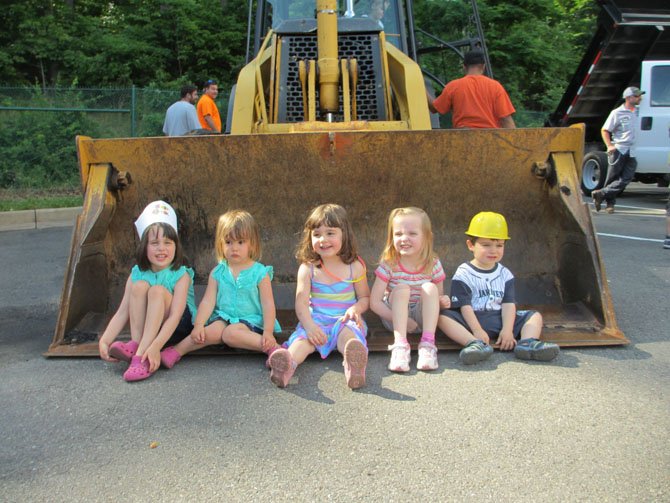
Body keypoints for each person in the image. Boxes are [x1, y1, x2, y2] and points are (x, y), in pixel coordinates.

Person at [269, 204, 370, 389]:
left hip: (344, 320)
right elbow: (301, 304)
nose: (323, 239)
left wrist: (356, 308)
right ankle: (286, 364)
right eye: (317, 234)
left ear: (344, 235)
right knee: (303, 342)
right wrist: (310, 326)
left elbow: (364, 298)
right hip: (316, 320)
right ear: (310, 237)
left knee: (348, 338)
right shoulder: (308, 268)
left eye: (330, 233)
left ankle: (353, 365)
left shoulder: (354, 266)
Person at [162, 210, 281, 366]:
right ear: (220, 244)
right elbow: (208, 302)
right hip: (224, 317)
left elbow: (268, 304)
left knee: (230, 334)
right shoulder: (218, 272)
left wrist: (268, 331)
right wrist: (198, 325)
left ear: (252, 243)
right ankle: (176, 351)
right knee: (209, 332)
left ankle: (274, 350)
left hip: (252, 322)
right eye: (228, 242)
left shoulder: (260, 273)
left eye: (240, 242)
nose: (234, 248)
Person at [438, 212, 560, 363]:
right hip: (471, 320)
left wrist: (508, 330)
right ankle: (474, 344)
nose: (493, 250)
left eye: (499, 245)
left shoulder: (505, 274)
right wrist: (477, 330)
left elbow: (508, 304)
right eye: (486, 245)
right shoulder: (463, 273)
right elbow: (465, 306)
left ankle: (528, 343)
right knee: (442, 318)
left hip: (499, 319)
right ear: (471, 245)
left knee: (534, 316)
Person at [98, 200, 197, 382]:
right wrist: (105, 340)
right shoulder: (137, 273)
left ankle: (141, 356)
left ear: (176, 246)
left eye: (168, 242)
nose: (161, 248)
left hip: (178, 326)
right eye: (154, 243)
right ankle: (137, 346)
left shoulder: (181, 274)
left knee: (157, 291)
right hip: (150, 328)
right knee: (140, 286)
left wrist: (156, 347)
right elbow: (122, 312)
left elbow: (175, 316)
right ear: (144, 247)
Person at [370, 207, 450, 372]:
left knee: (429, 287)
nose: (404, 238)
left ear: (427, 237)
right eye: (398, 234)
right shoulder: (389, 264)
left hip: (423, 320)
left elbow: (438, 296)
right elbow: (375, 302)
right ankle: (400, 346)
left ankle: (428, 344)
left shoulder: (433, 263)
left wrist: (443, 301)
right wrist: (404, 321)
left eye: (412, 234)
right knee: (401, 289)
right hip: (395, 320)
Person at [427, 50, 516, 129]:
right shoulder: (496, 87)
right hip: (489, 140)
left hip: (462, 139)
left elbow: (434, 108)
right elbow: (506, 119)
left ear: (464, 67)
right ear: (483, 66)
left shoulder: (453, 86)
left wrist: (421, 89)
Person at [593, 86, 645, 214]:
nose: (640, 98)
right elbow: (605, 130)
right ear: (629, 98)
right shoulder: (617, 113)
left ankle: (601, 193)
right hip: (619, 149)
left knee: (627, 177)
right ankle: (610, 205)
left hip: (632, 150)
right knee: (612, 177)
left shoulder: (639, 112)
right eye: (637, 96)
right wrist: (609, 145)